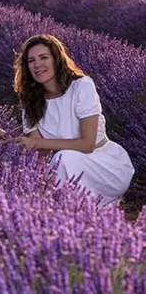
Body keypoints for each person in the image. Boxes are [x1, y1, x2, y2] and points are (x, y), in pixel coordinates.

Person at [9, 33, 134, 206]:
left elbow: (87, 144)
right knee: (50, 167)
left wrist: (37, 143)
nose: (37, 64)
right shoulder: (30, 101)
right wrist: (11, 144)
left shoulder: (82, 86)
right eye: (31, 61)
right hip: (65, 167)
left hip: (104, 164)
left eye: (44, 57)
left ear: (56, 59)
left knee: (64, 159)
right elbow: (40, 152)